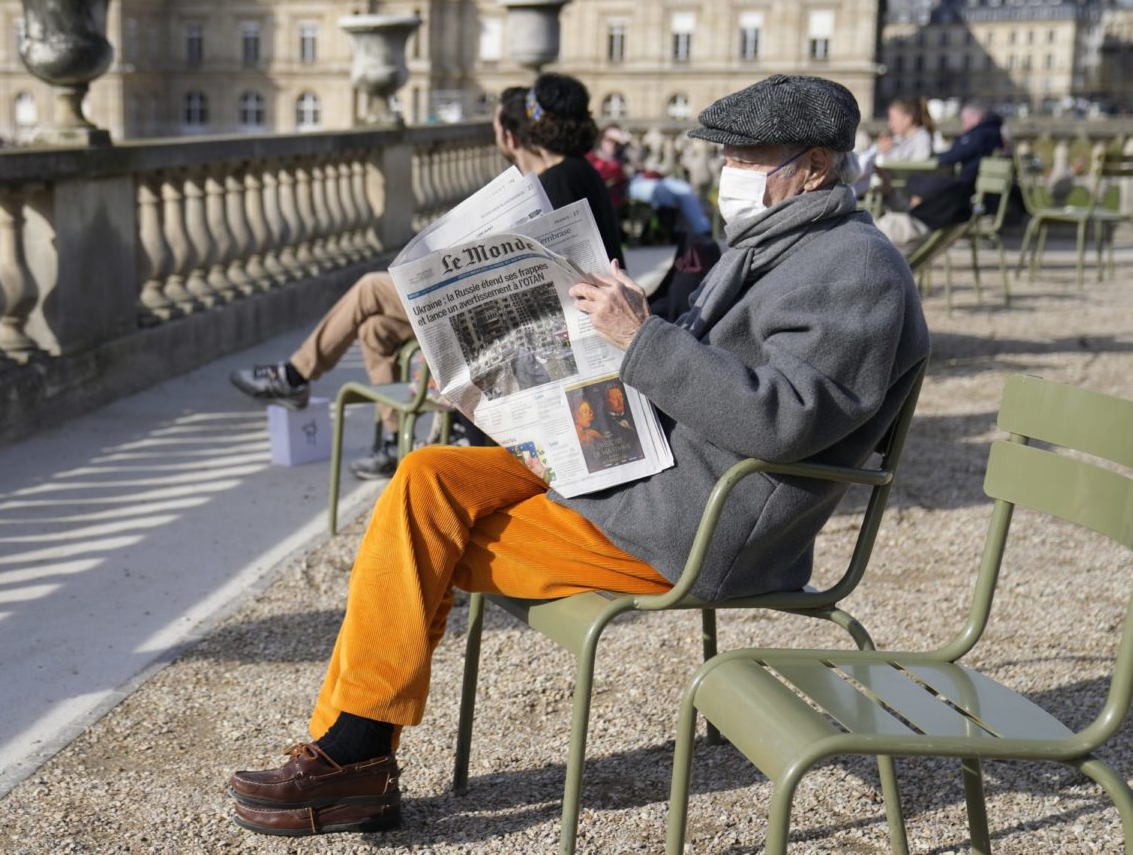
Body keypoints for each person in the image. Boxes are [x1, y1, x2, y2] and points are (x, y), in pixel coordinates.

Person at [225, 74, 930, 838]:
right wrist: (510, 375)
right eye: (727, 155)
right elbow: (707, 368)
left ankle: (352, 756)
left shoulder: (856, 268)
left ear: (816, 166)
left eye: (745, 157)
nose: (728, 171)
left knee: (423, 538)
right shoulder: (780, 241)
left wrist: (643, 338)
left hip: (696, 523)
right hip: (647, 466)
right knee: (427, 477)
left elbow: (787, 420)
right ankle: (353, 753)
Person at [229, 74, 624, 481]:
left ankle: (295, 375)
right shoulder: (574, 173)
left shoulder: (560, 179)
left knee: (369, 289)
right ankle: (390, 441)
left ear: (511, 136)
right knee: (376, 329)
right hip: (522, 311)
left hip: (530, 319)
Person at [875, 99, 1004, 255]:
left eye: (965, 120)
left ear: (977, 117)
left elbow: (953, 155)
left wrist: (938, 160)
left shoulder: (979, 135)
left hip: (941, 203)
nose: (963, 125)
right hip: (949, 203)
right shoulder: (991, 133)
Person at [852, 98, 936, 199]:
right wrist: (880, 149)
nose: (890, 124)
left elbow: (916, 170)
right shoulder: (899, 139)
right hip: (895, 191)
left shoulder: (922, 139)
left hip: (904, 195)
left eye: (892, 119)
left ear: (907, 118)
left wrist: (881, 153)